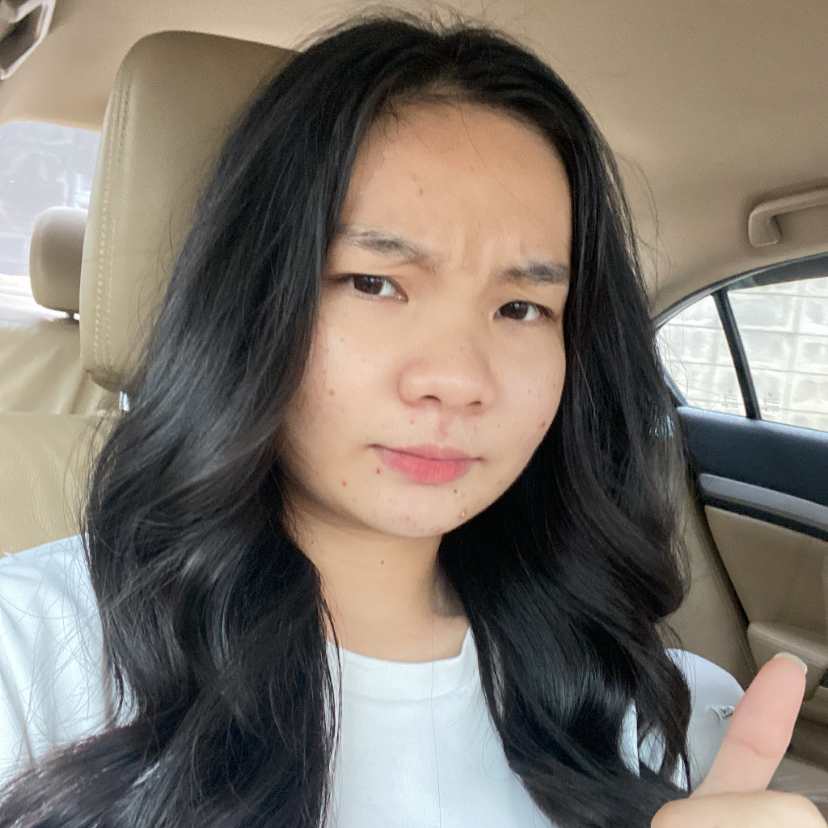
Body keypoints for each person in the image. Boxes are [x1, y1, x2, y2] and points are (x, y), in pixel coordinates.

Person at [0, 14, 824, 828]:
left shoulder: (656, 711)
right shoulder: (31, 656)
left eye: (522, 307)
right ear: (249, 303)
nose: (459, 380)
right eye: (375, 283)